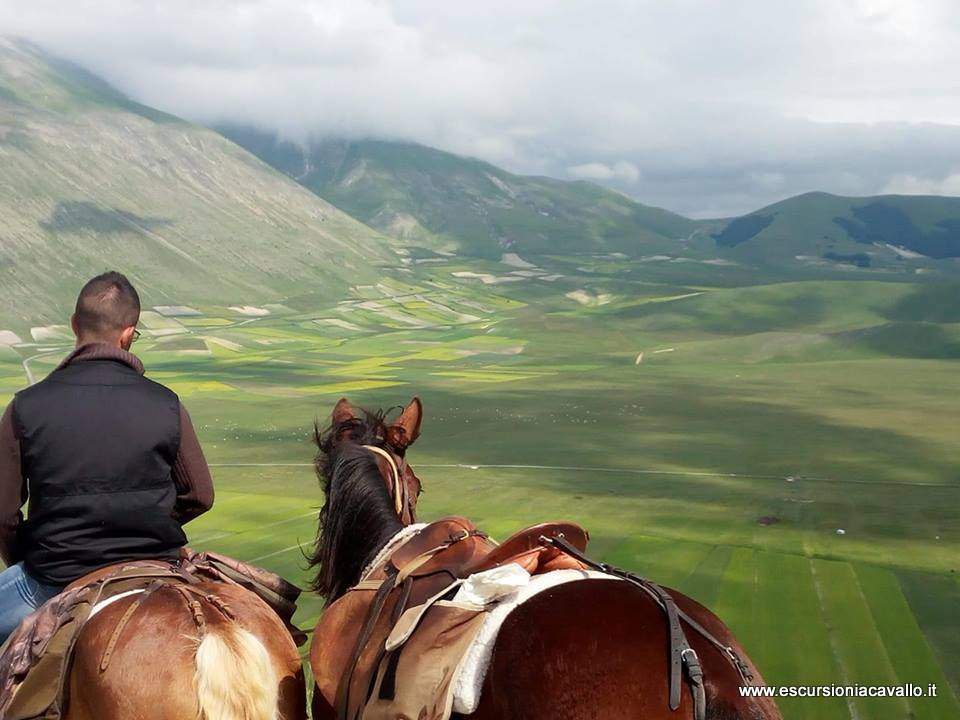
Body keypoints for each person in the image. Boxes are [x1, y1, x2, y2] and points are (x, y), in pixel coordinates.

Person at [0, 272, 214, 643]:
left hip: (54, 576)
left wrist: (32, 555)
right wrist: (146, 522)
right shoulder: (166, 404)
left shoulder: (25, 407)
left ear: (73, 325)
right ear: (128, 334)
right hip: (153, 568)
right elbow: (200, 495)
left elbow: (2, 515)